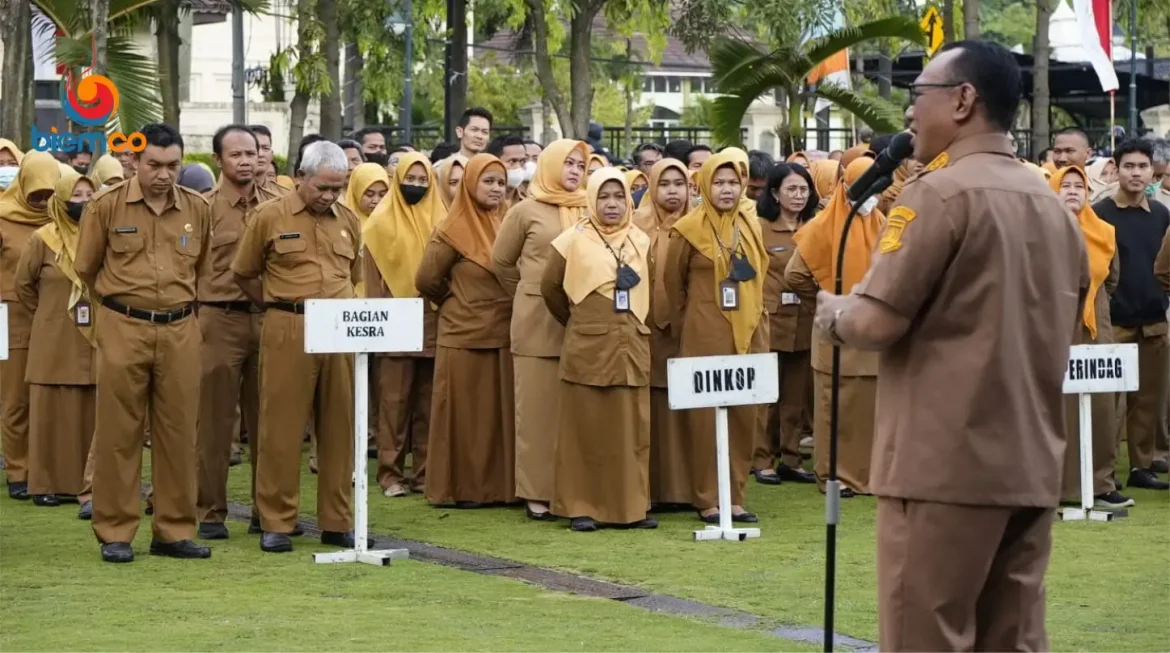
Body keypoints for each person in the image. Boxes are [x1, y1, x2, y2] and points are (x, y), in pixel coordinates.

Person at [812, 41, 1087, 650]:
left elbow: (878, 322)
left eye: (919, 95)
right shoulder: (1053, 205)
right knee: (1011, 639)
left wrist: (836, 314)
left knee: (926, 637)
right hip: (1031, 460)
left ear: (963, 100)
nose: (909, 114)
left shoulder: (937, 194)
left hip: (943, 468)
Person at [74, 123, 212, 563]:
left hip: (180, 328)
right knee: (119, 431)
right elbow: (86, 268)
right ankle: (115, 530)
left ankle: (173, 530)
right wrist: (121, 309)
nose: (163, 174)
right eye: (154, 164)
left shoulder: (197, 208)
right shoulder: (106, 206)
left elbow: (204, 270)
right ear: (135, 161)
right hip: (124, 324)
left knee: (178, 432)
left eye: (173, 165)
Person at [230, 141, 363, 554]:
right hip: (289, 323)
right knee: (281, 428)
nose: (329, 196)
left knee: (341, 427)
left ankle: (337, 521)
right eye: (322, 187)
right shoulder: (269, 217)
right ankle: (276, 521)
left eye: (337, 188)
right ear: (301, 177)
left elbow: (353, 271)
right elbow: (245, 273)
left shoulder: (349, 220)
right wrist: (278, 306)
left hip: (339, 328)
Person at [541, 167, 654, 531]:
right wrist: (582, 321)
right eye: (603, 196)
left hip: (630, 342)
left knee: (629, 428)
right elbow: (551, 290)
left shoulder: (641, 240)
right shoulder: (571, 240)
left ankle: (629, 509)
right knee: (584, 429)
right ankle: (581, 507)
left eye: (619, 196)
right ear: (591, 199)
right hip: (588, 343)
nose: (611, 204)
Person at [665, 151, 767, 524]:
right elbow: (671, 286)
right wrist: (688, 329)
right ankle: (708, 497)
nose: (726, 190)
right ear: (705, 185)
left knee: (744, 414)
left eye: (733, 183)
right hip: (704, 332)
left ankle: (736, 496)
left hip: (749, 333)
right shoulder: (688, 229)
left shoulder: (750, 223)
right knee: (704, 418)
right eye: (719, 183)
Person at [492, 139, 589, 521]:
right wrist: (530, 293)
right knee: (535, 410)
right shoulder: (525, 210)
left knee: (575, 411)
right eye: (567, 163)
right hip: (536, 320)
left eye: (580, 165)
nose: (575, 171)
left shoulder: (590, 206)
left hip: (580, 318)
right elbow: (501, 263)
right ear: (548, 165)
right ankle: (535, 493)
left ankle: (573, 488)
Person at [193, 125, 282, 540]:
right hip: (218, 319)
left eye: (253, 152)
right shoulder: (202, 208)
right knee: (214, 422)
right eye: (236, 155)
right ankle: (210, 511)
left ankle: (268, 514)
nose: (247, 160)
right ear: (218, 160)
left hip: (268, 318)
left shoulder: (281, 206)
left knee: (271, 421)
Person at [415, 154, 515, 507]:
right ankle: (462, 489)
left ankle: (501, 488)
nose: (495, 189)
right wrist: (457, 299)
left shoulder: (507, 222)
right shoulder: (450, 229)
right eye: (487, 181)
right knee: (467, 416)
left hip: (503, 333)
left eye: (501, 183)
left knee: (497, 417)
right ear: (471, 183)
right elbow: (426, 280)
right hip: (464, 334)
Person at [786, 157, 883, 497]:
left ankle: (868, 475)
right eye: (866, 187)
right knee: (833, 409)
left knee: (868, 411)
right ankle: (832, 476)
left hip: (871, 336)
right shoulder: (824, 226)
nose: (873, 196)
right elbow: (795, 275)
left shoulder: (882, 223)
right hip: (836, 336)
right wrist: (825, 304)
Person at [1049, 166, 1132, 509]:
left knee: (1100, 403)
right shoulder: (1039, 233)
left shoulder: (1105, 232)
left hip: (1096, 324)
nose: (1071, 191)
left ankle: (1100, 483)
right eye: (1064, 185)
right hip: (1053, 325)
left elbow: (1111, 280)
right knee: (1057, 405)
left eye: (1078, 186)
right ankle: (1056, 487)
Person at [1092, 138, 1170, 491]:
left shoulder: (1163, 215)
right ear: (1116, 168)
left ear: (1153, 169)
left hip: (1154, 320)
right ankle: (1103, 472)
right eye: (1129, 166)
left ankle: (1141, 467)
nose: (1136, 173)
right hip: (1113, 322)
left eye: (1142, 166)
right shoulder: (1100, 212)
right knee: (1107, 405)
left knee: (1148, 401)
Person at [363, 153, 443, 498]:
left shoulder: (441, 219)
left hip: (432, 318)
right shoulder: (379, 223)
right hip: (395, 319)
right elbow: (371, 280)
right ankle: (389, 474)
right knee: (393, 403)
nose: (417, 186)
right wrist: (382, 321)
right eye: (411, 179)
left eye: (423, 180)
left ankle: (423, 474)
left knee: (427, 403)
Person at [14, 170, 94, 507]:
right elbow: (23, 286)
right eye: (76, 196)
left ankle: (86, 484)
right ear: (60, 200)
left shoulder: (103, 236)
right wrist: (48, 314)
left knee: (91, 407)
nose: (84, 203)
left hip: (94, 333)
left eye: (90, 196)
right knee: (49, 407)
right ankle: (44, 483)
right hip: (52, 332)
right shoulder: (42, 238)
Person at [751, 163, 818, 486]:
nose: (798, 196)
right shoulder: (760, 228)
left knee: (795, 396)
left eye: (804, 189)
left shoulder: (816, 225)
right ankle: (761, 458)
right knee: (765, 394)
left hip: (806, 319)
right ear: (775, 193)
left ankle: (790, 458)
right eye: (791, 189)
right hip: (770, 319)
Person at [632, 158, 692, 508]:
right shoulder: (635, 225)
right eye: (665, 184)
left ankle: (683, 488)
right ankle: (650, 489)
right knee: (650, 406)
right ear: (652, 187)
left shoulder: (698, 225)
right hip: (645, 327)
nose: (673, 191)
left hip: (686, 329)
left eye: (679, 184)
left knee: (682, 403)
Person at [0, 151, 59, 500]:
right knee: (15, 398)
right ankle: (18, 470)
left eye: (49, 193)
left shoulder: (63, 220)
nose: (42, 201)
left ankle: (50, 470)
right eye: (36, 193)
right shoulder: (3, 219)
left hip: (55, 317)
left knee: (50, 397)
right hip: (9, 316)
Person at [487, 135, 529, 207]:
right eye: (512, 161)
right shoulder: (484, 200)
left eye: (522, 161)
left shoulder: (527, 200)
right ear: (494, 162)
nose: (518, 167)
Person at [249, 125, 285, 194]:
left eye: (265, 148)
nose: (260, 154)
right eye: (255, 148)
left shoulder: (284, 196)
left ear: (272, 155)